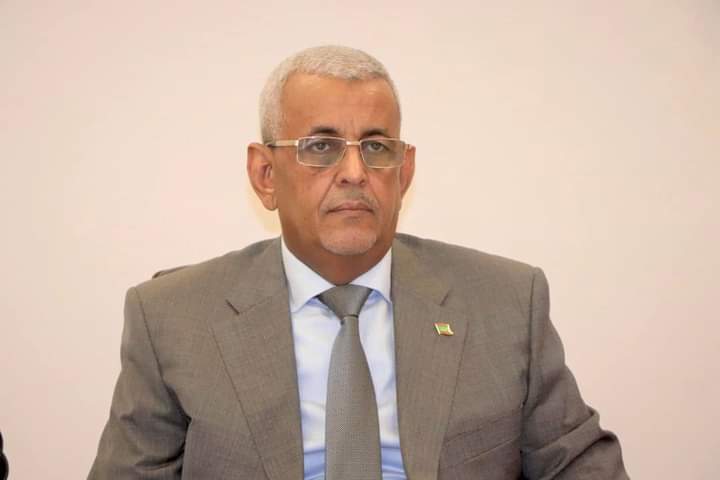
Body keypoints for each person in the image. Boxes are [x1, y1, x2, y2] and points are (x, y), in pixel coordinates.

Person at [89, 45, 628, 479]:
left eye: (376, 147)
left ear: (404, 173)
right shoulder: (172, 318)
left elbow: (580, 466)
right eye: (321, 147)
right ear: (265, 175)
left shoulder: (505, 302)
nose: (354, 172)